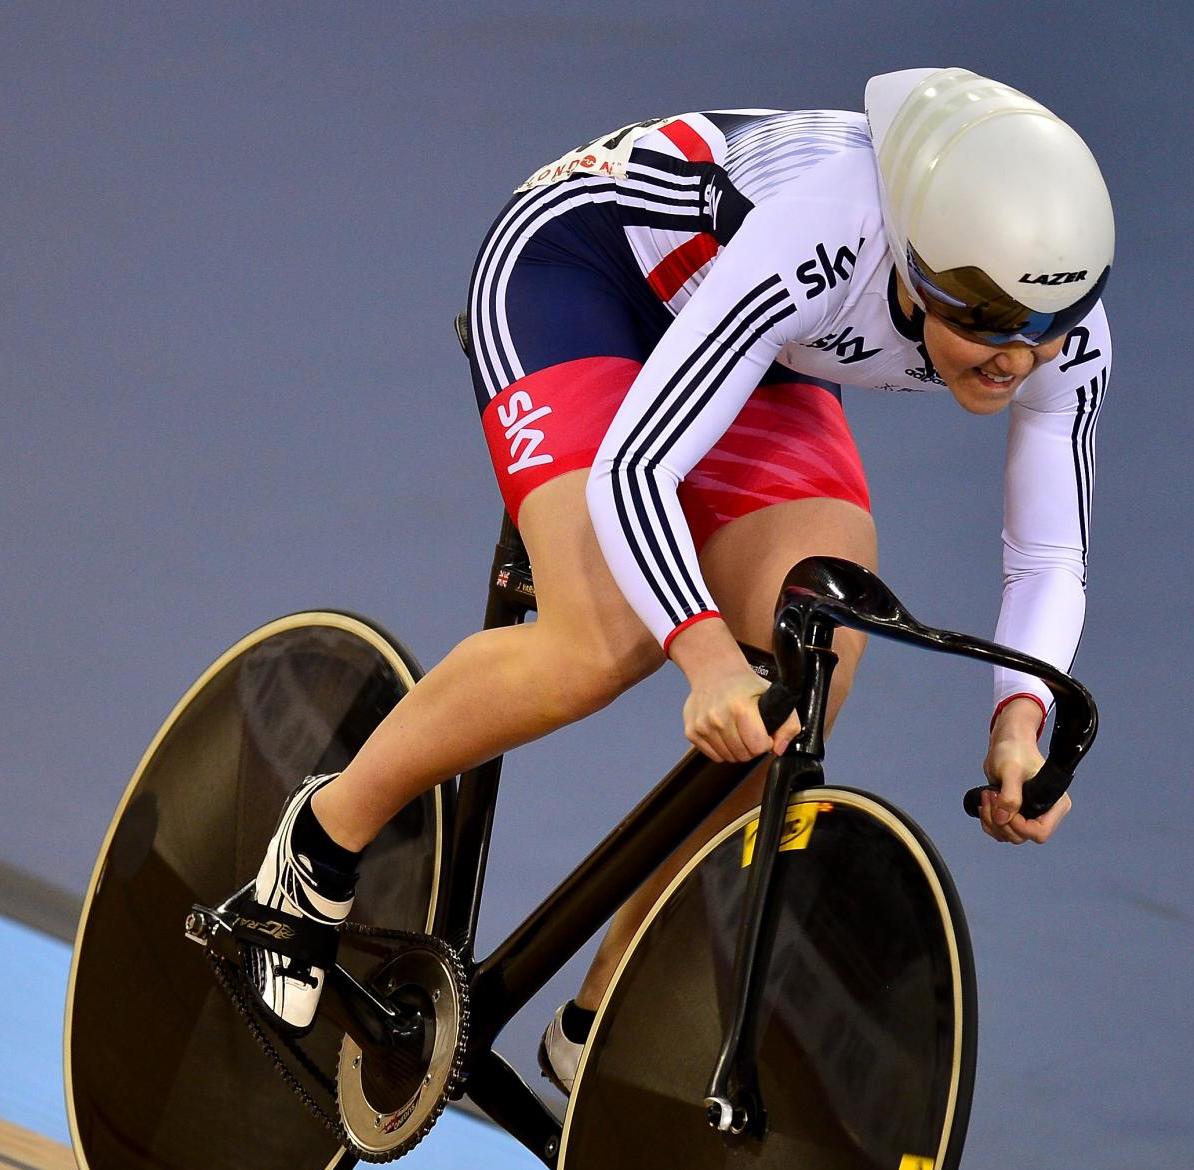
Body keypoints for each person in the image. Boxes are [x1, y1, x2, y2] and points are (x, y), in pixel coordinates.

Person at [242, 67, 1115, 1094]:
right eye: (983, 320)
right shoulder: (820, 229)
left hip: (751, 335)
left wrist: (1021, 719)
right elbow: (635, 469)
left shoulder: (1057, 313)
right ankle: (320, 842)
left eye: (1041, 330)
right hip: (584, 275)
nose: (1018, 359)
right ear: (918, 266)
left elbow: (1051, 554)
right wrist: (701, 655)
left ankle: (602, 1010)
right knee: (599, 638)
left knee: (814, 652)